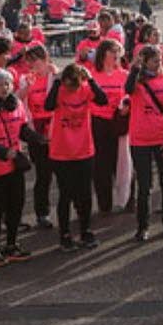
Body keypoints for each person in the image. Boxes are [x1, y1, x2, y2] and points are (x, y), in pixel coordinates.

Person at [0, 69, 43, 267]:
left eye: (8, 83)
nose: (5, 87)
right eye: (0, 84)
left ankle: (12, 245)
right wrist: (3, 153)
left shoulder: (16, 104)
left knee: (16, 207)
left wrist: (39, 139)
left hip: (14, 166)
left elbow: (22, 129)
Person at [44, 63, 109, 251]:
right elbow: (48, 106)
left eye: (75, 85)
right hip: (61, 152)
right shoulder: (59, 91)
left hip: (84, 150)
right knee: (66, 194)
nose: (72, 89)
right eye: (68, 85)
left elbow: (103, 100)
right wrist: (56, 84)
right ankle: (64, 233)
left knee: (85, 193)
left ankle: (85, 230)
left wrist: (91, 79)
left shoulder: (86, 89)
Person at [125, 45, 163, 241]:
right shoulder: (137, 81)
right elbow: (128, 89)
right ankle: (143, 227)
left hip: (161, 139)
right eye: (155, 60)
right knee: (144, 185)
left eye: (160, 60)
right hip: (140, 140)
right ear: (145, 61)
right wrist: (134, 68)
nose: (159, 64)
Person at [18, 45, 56, 229]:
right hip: (36, 130)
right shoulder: (26, 79)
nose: (32, 65)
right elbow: (16, 101)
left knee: (63, 173)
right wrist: (26, 88)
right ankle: (42, 213)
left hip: (55, 129)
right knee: (43, 174)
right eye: (29, 61)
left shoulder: (55, 76)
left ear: (45, 59)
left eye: (35, 60)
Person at [89, 39, 129, 214]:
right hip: (98, 122)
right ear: (103, 54)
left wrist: (127, 107)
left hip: (119, 122)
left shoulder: (125, 75)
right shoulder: (92, 75)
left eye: (118, 51)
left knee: (123, 164)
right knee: (101, 166)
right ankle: (104, 204)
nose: (116, 55)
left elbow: (131, 96)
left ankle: (126, 201)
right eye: (112, 51)